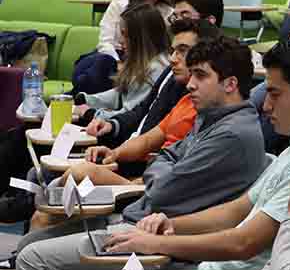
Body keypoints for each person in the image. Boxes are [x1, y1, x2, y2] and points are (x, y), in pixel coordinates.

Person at [59, 39, 290, 270]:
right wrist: (169, 225)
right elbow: (234, 211)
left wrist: (157, 243)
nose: (266, 104)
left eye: (274, 93)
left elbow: (244, 243)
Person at [11, 36, 268, 270]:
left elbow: (161, 190)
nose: (189, 84)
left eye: (201, 76)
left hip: (160, 239)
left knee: (33, 262)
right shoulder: (212, 118)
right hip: (141, 219)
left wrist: (160, 170)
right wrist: (161, 169)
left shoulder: (232, 134)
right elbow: (164, 160)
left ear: (230, 84)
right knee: (31, 247)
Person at [67, 19, 221, 184]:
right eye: (173, 51)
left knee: (77, 174)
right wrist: (115, 153)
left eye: (182, 51)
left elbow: (181, 172)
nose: (172, 59)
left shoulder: (214, 115)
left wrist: (135, 184)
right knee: (59, 179)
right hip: (146, 175)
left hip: (153, 185)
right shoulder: (185, 98)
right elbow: (147, 138)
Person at [72, 0, 174, 94]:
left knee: (89, 79)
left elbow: (173, 42)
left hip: (144, 61)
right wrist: (118, 63)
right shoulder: (119, 4)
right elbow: (105, 42)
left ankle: (76, 100)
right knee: (101, 63)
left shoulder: (168, 11)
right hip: (111, 57)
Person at [74, 3, 171, 123]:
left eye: (125, 34)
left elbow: (130, 115)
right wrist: (87, 99)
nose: (120, 41)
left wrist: (91, 113)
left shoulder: (156, 69)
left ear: (140, 38)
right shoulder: (141, 63)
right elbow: (120, 94)